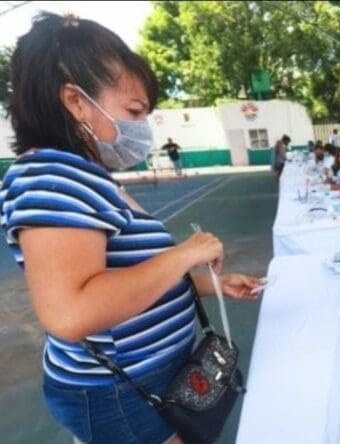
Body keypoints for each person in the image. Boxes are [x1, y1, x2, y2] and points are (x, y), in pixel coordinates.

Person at [0, 13, 264, 444]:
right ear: (76, 101)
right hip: (123, 390)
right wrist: (185, 252)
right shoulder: (53, 175)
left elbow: (126, 280)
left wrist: (206, 283)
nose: (142, 128)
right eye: (134, 111)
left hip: (148, 377)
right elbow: (71, 312)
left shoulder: (87, 175)